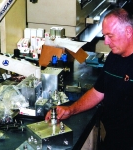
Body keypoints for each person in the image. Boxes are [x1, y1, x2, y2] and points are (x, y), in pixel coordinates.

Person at [45, 8, 133, 150]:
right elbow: (98, 92)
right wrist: (70, 110)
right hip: (114, 138)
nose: (106, 42)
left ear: (128, 31)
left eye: (110, 35)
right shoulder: (114, 57)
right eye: (105, 36)